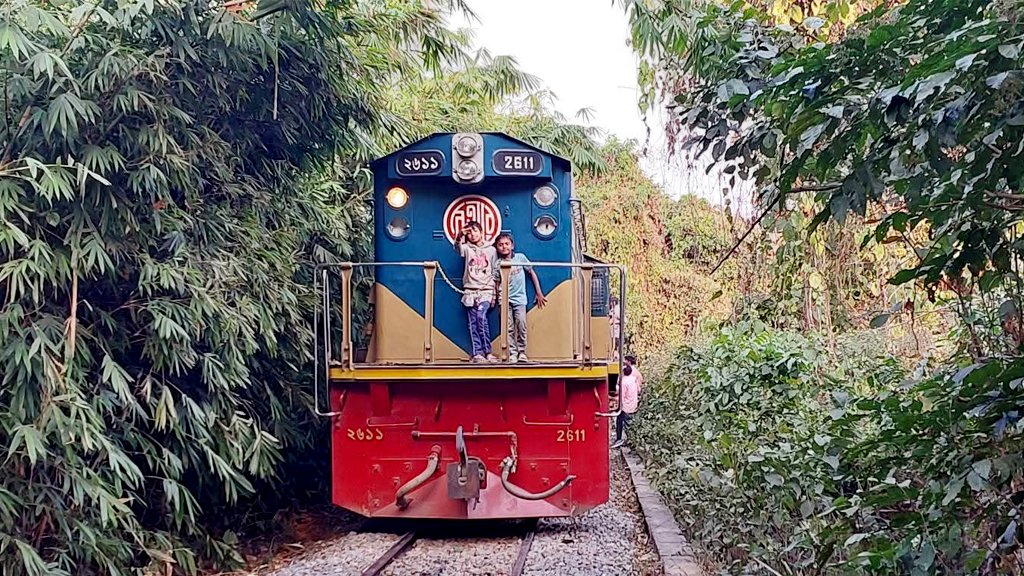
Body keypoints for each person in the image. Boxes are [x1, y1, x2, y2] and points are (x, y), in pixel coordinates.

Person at [493, 232, 547, 362]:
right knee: (508, 327)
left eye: (507, 244)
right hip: (504, 300)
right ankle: (512, 352)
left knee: (521, 324)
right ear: (497, 248)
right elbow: (496, 283)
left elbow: (531, 273)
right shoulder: (497, 263)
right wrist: (496, 298)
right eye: (500, 245)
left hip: (519, 299)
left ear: (512, 246)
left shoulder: (520, 258)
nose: (504, 247)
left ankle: (522, 352)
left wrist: (539, 292)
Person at [455, 221, 497, 363]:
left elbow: (495, 271)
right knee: (473, 322)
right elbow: (457, 247)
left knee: (481, 317)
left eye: (475, 231)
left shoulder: (491, 250)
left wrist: (494, 295)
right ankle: (477, 353)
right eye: (469, 232)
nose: (472, 235)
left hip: (486, 290)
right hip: (470, 291)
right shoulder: (466, 248)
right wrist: (460, 234)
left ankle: (488, 352)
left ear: (481, 232)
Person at [611, 364, 640, 448]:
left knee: (620, 420)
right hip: (633, 403)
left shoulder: (623, 382)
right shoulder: (634, 379)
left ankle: (619, 439)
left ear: (623, 372)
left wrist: (612, 399)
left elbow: (622, 396)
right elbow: (638, 390)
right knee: (630, 423)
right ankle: (632, 440)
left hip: (626, 406)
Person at [609, 296, 620, 360]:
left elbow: (623, 319)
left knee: (615, 342)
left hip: (616, 330)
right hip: (612, 330)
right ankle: (614, 354)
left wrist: (615, 322)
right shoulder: (612, 309)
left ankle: (615, 354)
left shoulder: (617, 310)